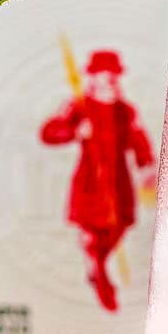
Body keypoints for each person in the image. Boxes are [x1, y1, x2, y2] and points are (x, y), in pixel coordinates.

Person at [39, 50, 156, 313]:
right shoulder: (79, 107)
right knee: (92, 227)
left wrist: (146, 162)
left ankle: (96, 264)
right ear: (92, 76)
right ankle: (100, 273)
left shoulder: (125, 110)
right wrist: (74, 131)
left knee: (119, 225)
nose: (107, 80)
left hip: (118, 182)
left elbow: (138, 138)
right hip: (91, 179)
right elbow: (48, 132)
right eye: (102, 74)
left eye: (111, 75)